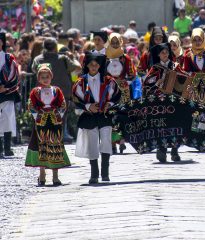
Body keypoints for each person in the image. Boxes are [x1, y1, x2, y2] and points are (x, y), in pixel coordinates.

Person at [73, 52, 120, 184]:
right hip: (89, 116)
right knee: (92, 143)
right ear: (87, 65)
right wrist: (88, 106)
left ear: (100, 66)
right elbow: (76, 99)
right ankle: (94, 173)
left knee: (105, 140)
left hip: (105, 115)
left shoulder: (109, 81)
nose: (93, 67)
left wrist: (109, 104)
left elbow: (117, 96)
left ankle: (105, 172)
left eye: (96, 64)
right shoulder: (80, 82)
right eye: (91, 64)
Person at [25, 64, 70, 186]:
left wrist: (58, 114)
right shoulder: (35, 92)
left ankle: (55, 176)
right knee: (42, 148)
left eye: (47, 76)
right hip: (41, 123)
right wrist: (38, 115)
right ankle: (42, 175)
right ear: (38, 79)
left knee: (55, 147)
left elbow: (63, 104)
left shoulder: (56, 90)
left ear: (51, 77)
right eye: (42, 77)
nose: (45, 79)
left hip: (54, 122)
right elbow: (31, 106)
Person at [144, 43, 184, 162]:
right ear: (158, 55)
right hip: (160, 101)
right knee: (162, 124)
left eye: (167, 51)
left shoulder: (175, 66)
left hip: (174, 99)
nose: (165, 54)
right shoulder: (155, 68)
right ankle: (161, 149)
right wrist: (158, 82)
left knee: (176, 124)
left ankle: (175, 151)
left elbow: (184, 78)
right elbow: (146, 83)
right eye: (162, 52)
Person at [105, 33, 138, 154]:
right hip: (108, 89)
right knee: (110, 114)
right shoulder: (105, 58)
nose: (114, 45)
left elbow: (133, 74)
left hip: (123, 90)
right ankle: (112, 143)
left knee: (122, 114)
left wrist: (127, 82)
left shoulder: (126, 58)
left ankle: (122, 141)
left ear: (121, 43)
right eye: (112, 42)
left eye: (116, 42)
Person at [0, 32, 20, 158]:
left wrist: (4, 87)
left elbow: (14, 74)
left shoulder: (9, 58)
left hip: (7, 93)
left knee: (7, 118)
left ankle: (7, 147)